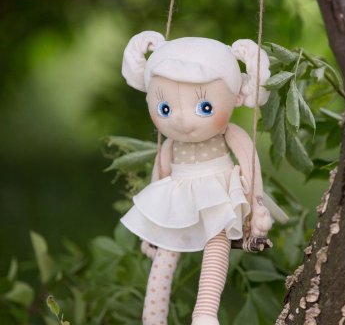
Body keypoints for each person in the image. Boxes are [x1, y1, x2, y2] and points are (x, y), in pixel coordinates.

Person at [120, 31, 285, 325]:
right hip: (178, 195)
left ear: (235, 96)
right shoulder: (170, 146)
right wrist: (152, 229)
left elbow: (250, 165)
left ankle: (205, 313)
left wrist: (256, 204)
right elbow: (160, 177)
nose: (182, 121)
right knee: (166, 253)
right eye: (165, 109)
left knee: (217, 243)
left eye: (204, 108)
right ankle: (153, 318)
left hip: (217, 192)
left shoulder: (229, 134)